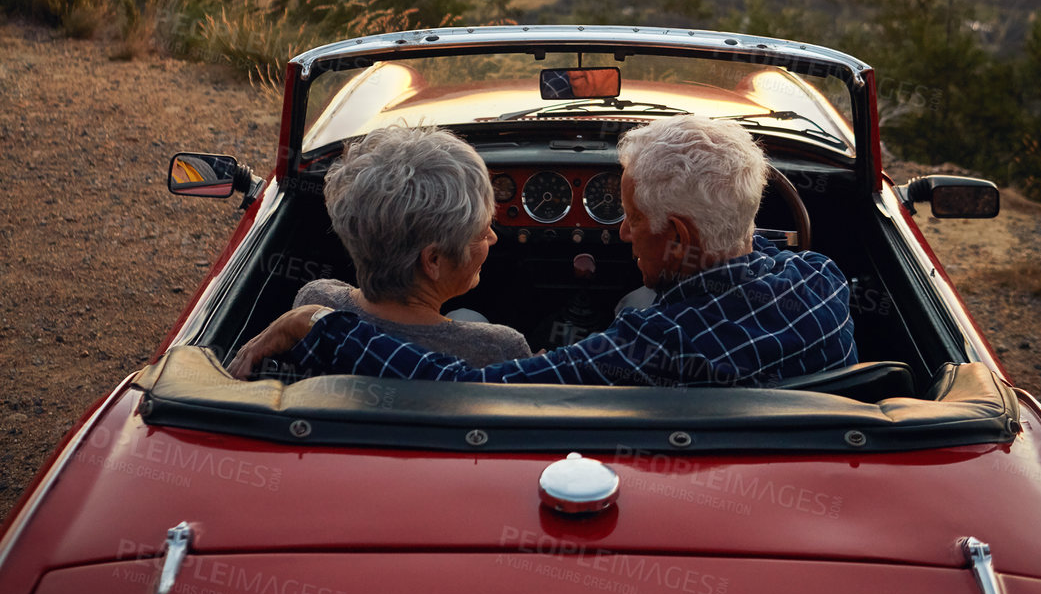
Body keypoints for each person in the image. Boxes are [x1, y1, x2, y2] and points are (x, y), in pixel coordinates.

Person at [233, 115, 856, 387]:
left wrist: (319, 321)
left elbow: (465, 387)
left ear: (681, 238)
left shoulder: (645, 348)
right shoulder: (823, 281)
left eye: (633, 218)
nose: (617, 232)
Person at [230, 126, 529, 378]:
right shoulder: (497, 349)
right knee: (468, 316)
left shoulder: (318, 300)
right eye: (481, 230)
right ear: (433, 260)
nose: (492, 238)